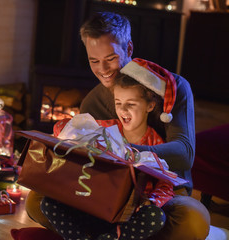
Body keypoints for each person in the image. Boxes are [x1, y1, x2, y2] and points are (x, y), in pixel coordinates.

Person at [25, 12, 210, 240]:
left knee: (194, 220)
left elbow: (184, 154)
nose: (103, 69)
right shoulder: (92, 102)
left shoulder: (173, 88)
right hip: (106, 192)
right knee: (35, 201)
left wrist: (125, 154)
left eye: (110, 58)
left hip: (161, 195)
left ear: (129, 49)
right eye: (94, 61)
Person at [42, 60, 175, 240]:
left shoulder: (156, 144)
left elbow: (166, 185)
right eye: (118, 103)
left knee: (155, 217)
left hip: (125, 216)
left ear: (150, 106)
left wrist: (150, 201)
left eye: (131, 104)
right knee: (49, 204)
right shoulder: (106, 130)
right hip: (94, 206)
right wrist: (73, 131)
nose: (123, 110)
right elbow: (65, 126)